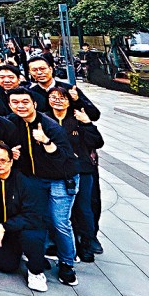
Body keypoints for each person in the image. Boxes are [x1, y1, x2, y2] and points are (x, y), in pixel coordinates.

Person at [6, 87, 79, 286]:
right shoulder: (14, 122)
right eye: (15, 102)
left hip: (61, 178)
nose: (20, 106)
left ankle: (67, 263)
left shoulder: (51, 127)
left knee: (59, 221)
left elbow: (65, 159)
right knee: (38, 218)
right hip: (35, 178)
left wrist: (46, 142)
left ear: (34, 104)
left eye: (25, 102)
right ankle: (40, 255)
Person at [0, 142, 50, 292]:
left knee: (33, 236)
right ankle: (10, 250)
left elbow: (33, 216)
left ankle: (36, 271)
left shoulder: (26, 182)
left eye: (2, 160)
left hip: (20, 227)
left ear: (11, 161)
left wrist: (4, 226)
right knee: (6, 265)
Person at [48, 86, 104, 262]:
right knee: (59, 211)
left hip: (81, 169)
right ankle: (56, 243)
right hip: (55, 170)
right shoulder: (44, 118)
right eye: (53, 97)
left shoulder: (77, 117)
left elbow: (97, 142)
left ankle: (86, 242)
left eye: (62, 98)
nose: (57, 100)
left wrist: (87, 123)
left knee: (83, 207)